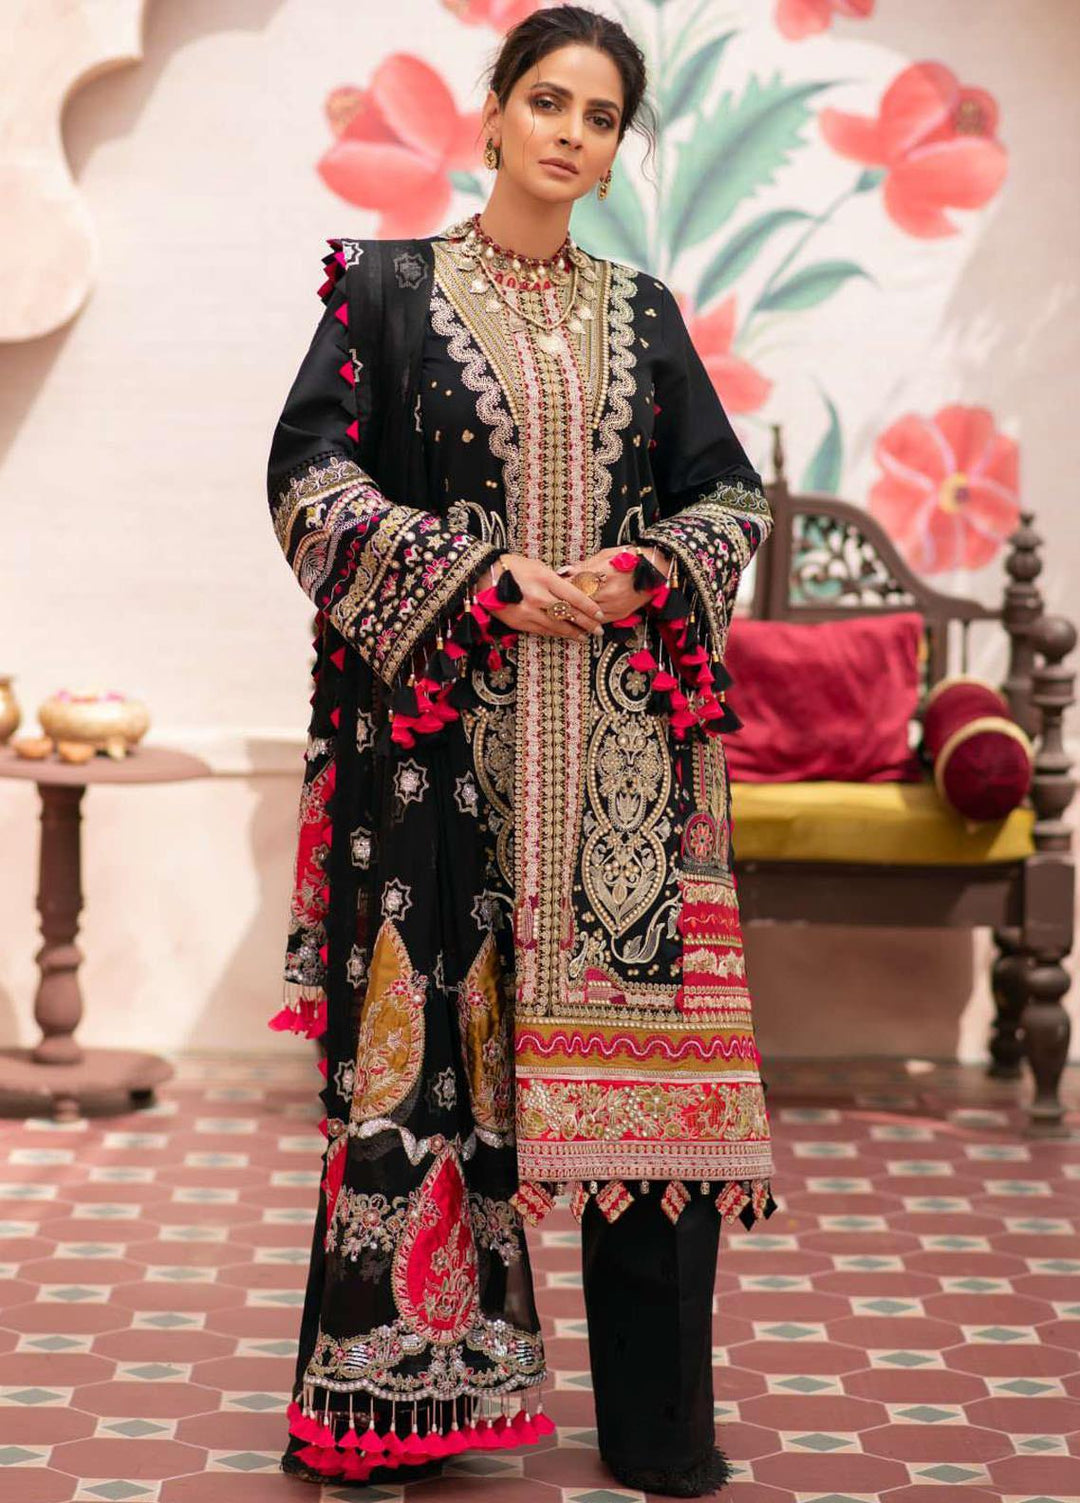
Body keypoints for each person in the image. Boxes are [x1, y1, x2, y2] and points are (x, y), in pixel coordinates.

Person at [265, 5, 776, 1495]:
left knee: (652, 1091)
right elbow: (308, 480)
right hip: (439, 753)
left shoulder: (645, 312)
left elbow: (728, 499)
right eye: (547, 100)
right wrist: (472, 577)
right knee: (424, 1070)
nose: (570, 132)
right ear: (493, 112)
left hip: (617, 767)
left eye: (600, 115)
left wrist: (649, 569)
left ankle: (662, 1435)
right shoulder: (385, 292)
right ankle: (401, 1404)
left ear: (616, 150)